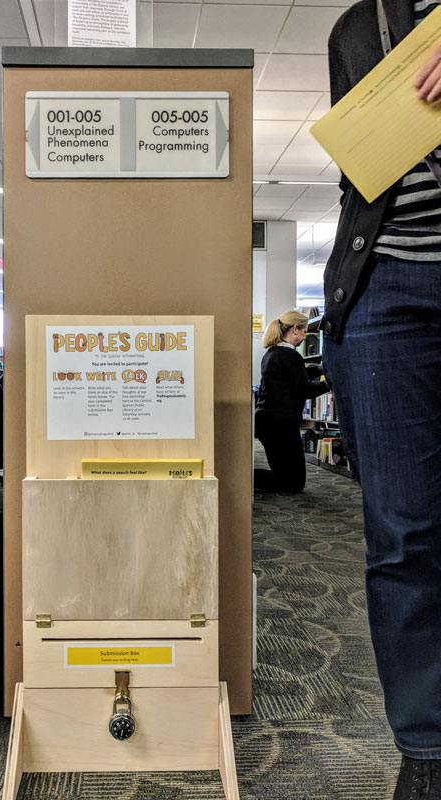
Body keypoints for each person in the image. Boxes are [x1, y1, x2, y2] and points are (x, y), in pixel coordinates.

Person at [322, 1, 441, 796]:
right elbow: (362, 178)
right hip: (387, 286)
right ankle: (427, 750)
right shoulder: (358, 26)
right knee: (403, 535)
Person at [254, 310, 329, 493]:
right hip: (280, 424)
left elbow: (296, 374)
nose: (304, 338)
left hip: (268, 421)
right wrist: (331, 384)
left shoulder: (273, 353)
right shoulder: (289, 355)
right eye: (304, 332)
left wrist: (320, 369)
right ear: (295, 329)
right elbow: (305, 389)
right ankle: (243, 478)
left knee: (287, 477)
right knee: (292, 483)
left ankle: (244, 478)